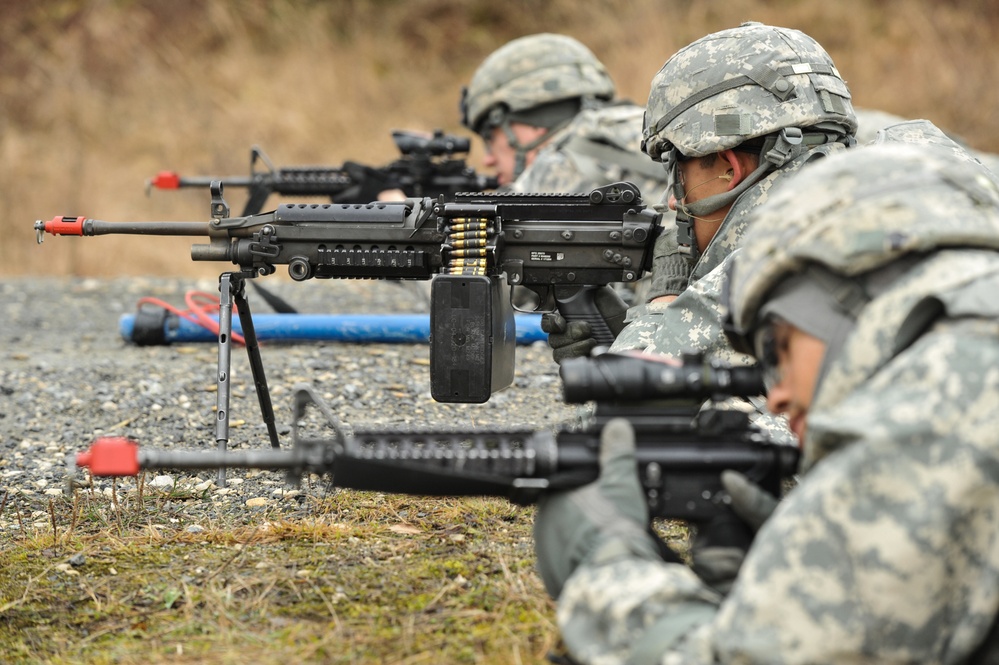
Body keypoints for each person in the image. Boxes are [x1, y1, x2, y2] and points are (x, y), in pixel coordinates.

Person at [534, 141, 999, 663]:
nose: (775, 394)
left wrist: (605, 565)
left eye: (780, 347)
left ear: (852, 303)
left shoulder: (939, 410)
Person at [545, 22, 858, 366]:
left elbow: (617, 412)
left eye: (676, 170)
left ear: (729, 169)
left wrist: (665, 301)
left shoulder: (757, 275)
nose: (673, 201)